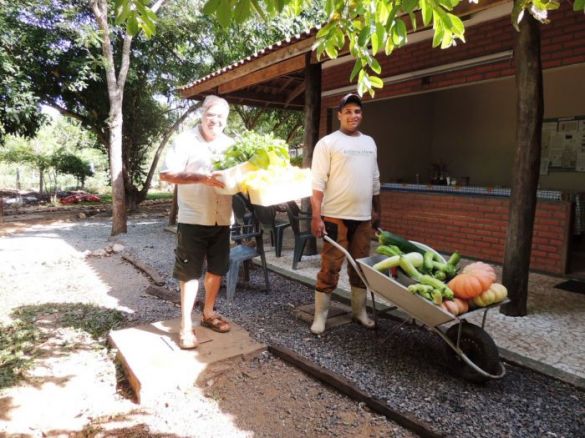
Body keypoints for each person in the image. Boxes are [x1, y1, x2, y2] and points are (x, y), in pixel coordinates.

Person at [160, 95, 234, 349]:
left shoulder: (231, 144)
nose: (215, 121)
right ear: (202, 115)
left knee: (216, 270)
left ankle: (209, 313)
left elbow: (241, 174)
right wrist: (202, 178)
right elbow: (167, 174)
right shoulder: (185, 140)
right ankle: (185, 325)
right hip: (193, 217)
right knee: (190, 273)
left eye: (220, 117)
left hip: (222, 217)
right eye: (210, 115)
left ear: (226, 120)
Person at [310, 93, 381, 335]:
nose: (353, 115)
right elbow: (317, 183)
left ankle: (359, 311)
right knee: (330, 267)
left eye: (357, 111)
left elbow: (375, 179)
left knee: (361, 267)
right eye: (348, 111)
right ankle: (320, 316)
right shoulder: (328, 143)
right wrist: (316, 216)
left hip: (362, 218)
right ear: (339, 114)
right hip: (334, 216)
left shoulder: (369, 142)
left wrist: (377, 210)